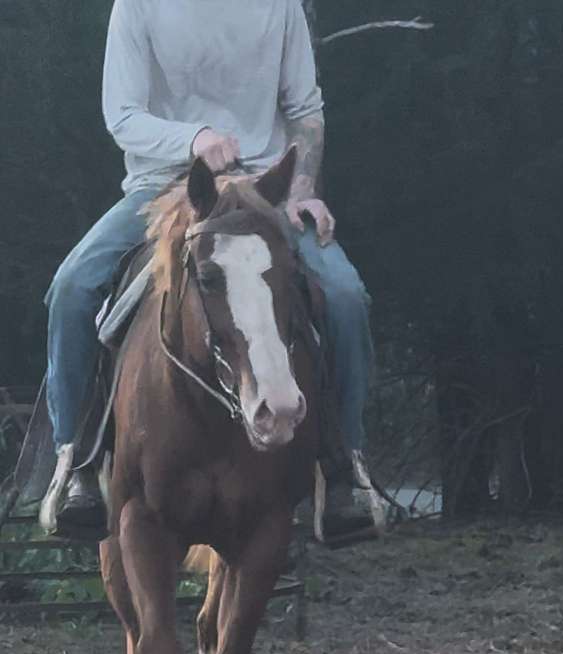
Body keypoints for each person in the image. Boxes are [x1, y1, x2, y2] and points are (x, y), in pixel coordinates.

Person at [44, 0, 376, 537]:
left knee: (343, 296)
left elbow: (306, 112)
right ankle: (76, 462)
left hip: (260, 191)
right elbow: (122, 115)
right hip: (165, 188)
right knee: (73, 287)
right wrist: (194, 139)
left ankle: (345, 471)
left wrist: (303, 191)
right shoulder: (138, 6)